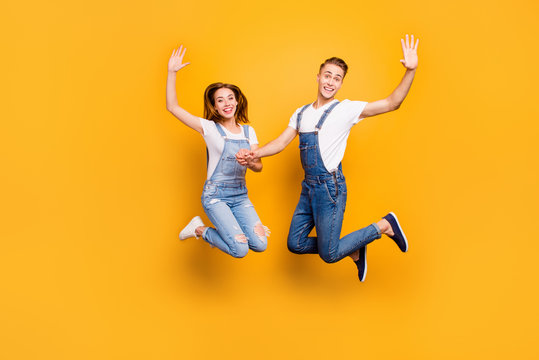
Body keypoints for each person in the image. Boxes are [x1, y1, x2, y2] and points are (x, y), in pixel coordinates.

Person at [236, 35, 418, 281]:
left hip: (330, 188)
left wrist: (410, 70)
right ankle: (353, 248)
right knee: (295, 243)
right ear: (318, 77)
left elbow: (391, 103)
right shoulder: (300, 113)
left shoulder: (346, 109)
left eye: (337, 78)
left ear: (341, 84)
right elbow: (280, 143)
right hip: (308, 188)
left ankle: (383, 226)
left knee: (329, 254)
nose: (331, 81)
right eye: (328, 75)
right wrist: (255, 152)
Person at [166, 45, 269, 258]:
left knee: (260, 244)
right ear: (214, 107)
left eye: (230, 98)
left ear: (237, 100)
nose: (227, 103)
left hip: (241, 196)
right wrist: (172, 73)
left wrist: (250, 161)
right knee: (240, 249)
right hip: (216, 197)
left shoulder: (249, 132)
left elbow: (258, 166)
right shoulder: (210, 129)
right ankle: (199, 229)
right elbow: (173, 107)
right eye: (220, 100)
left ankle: (211, 232)